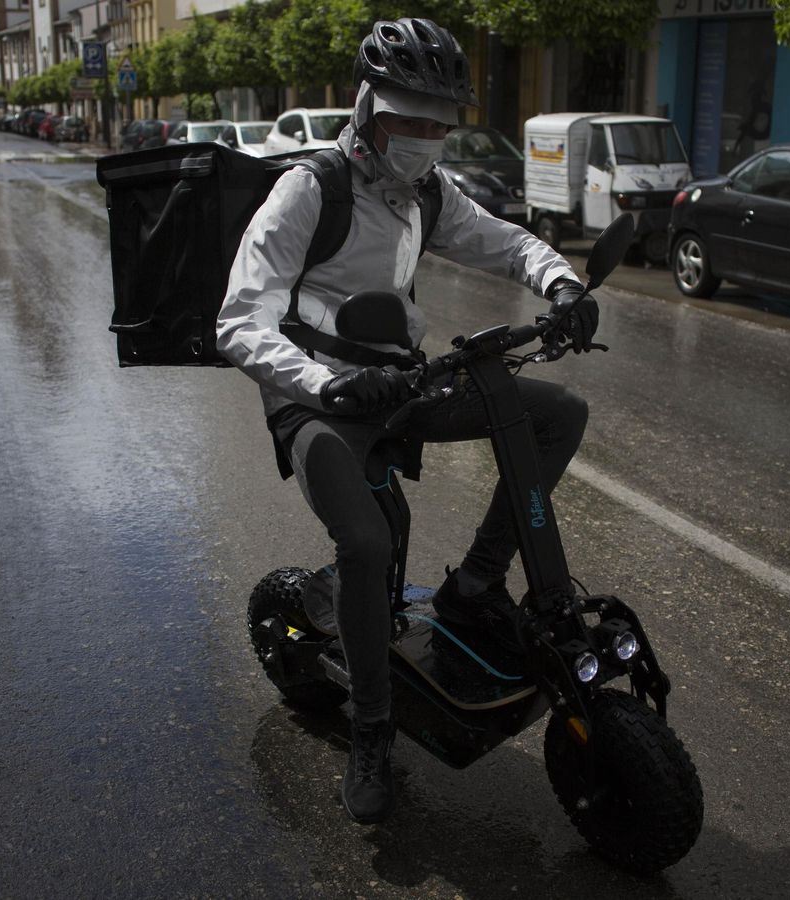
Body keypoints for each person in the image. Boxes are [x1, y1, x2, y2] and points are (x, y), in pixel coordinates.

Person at [216, 17, 599, 825]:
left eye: (439, 123)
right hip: (314, 395)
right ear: (366, 107)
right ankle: (371, 727)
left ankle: (475, 587)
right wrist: (321, 384)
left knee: (556, 415)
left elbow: (501, 240)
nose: (424, 137)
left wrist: (563, 285)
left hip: (400, 380)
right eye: (407, 119)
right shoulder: (309, 190)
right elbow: (240, 322)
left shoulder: (426, 191)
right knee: (365, 542)